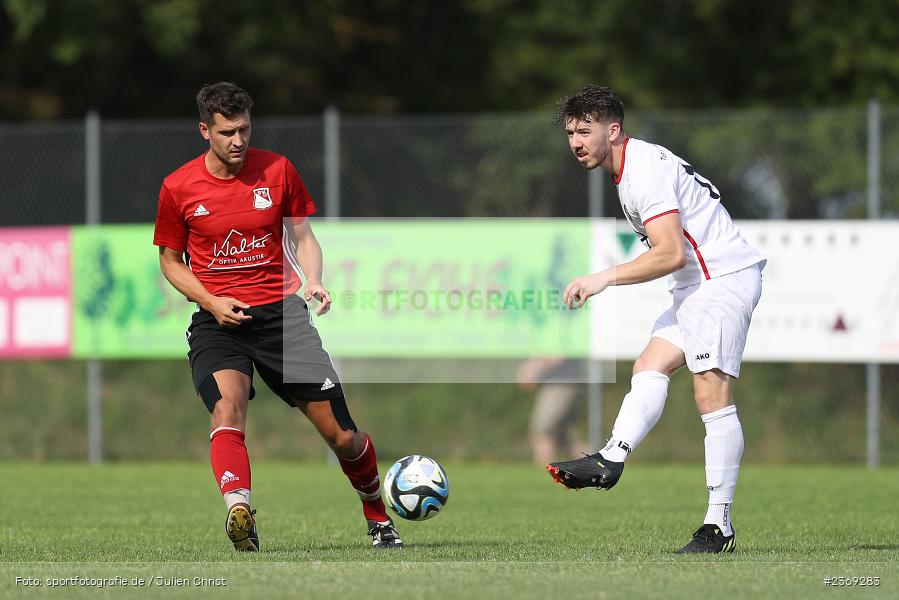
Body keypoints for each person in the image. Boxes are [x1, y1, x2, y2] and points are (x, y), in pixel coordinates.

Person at [153, 82, 401, 551]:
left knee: (343, 437)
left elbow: (303, 237)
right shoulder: (178, 187)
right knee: (226, 408)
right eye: (227, 132)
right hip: (219, 323)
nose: (238, 141)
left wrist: (313, 279)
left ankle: (377, 517)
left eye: (245, 129)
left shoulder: (278, 171)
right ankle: (238, 510)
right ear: (204, 130)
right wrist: (210, 302)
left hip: (284, 321)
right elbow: (170, 261)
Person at [546, 85, 765, 554]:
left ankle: (718, 524)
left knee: (711, 394)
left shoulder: (642, 172)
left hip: (719, 278)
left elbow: (670, 253)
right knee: (649, 365)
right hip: (697, 284)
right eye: (570, 133)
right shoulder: (628, 170)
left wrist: (603, 277)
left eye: (585, 131)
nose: (576, 142)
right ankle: (611, 458)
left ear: (614, 129)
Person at [517, 357, 586, 466]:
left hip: (563, 384)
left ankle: (545, 475)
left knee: (542, 432)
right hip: (557, 383)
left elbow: (557, 354)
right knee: (563, 438)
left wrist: (533, 369)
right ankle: (598, 465)